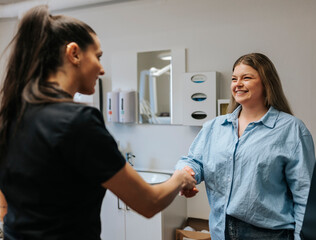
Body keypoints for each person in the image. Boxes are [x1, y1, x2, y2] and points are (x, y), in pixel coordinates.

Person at [0, 5, 196, 240]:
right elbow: (148, 203)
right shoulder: (78, 121)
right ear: (74, 53)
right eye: (98, 56)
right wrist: (179, 178)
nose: (102, 69)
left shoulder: (12, 113)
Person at [176, 53, 315, 240]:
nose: (237, 84)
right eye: (234, 79)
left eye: (246, 78)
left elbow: (304, 194)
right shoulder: (215, 127)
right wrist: (187, 173)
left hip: (269, 234)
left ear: (267, 83)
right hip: (221, 230)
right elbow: (193, 161)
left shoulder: (291, 129)